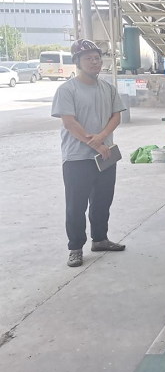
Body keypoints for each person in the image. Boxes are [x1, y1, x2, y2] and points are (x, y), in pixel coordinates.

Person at [51, 39, 127, 268]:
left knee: (103, 200)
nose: (95, 62)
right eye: (88, 58)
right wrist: (95, 143)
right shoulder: (67, 90)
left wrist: (102, 137)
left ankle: (100, 239)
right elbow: (69, 123)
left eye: (97, 58)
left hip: (106, 155)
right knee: (76, 205)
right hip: (77, 158)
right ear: (77, 62)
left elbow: (116, 116)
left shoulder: (108, 88)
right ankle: (75, 248)